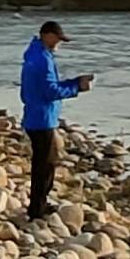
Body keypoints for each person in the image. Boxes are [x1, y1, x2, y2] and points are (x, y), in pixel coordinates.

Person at [18, 19, 90, 220]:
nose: (59, 43)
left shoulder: (35, 55)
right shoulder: (43, 59)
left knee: (44, 163)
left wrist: (74, 81)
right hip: (42, 119)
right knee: (45, 166)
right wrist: (77, 88)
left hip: (36, 115)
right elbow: (50, 91)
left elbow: (44, 87)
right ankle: (37, 209)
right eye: (58, 39)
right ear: (47, 35)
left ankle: (39, 204)